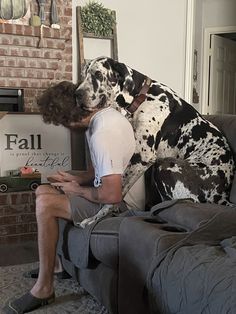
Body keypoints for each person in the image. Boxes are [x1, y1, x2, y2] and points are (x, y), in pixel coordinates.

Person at [4, 81, 136, 313]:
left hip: (122, 205)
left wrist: (78, 190)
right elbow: (100, 172)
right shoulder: (100, 120)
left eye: (62, 124)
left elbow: (112, 194)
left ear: (69, 118)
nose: (65, 128)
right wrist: (75, 178)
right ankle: (55, 266)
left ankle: (44, 288)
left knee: (46, 203)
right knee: (43, 189)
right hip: (110, 191)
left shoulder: (104, 133)